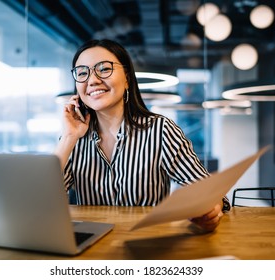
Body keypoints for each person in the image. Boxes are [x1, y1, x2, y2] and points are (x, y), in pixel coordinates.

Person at [54, 39, 230, 232]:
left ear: (127, 78)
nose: (92, 80)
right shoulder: (73, 139)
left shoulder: (160, 130)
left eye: (104, 69)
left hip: (144, 244)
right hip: (89, 248)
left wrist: (211, 209)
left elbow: (208, 191)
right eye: (82, 73)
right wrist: (69, 137)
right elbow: (42, 202)